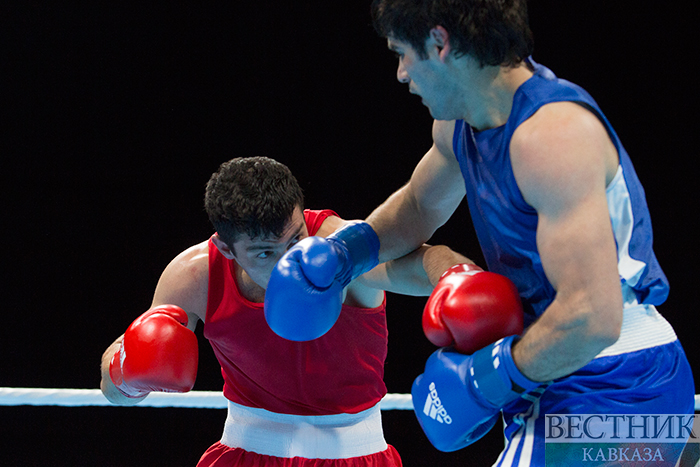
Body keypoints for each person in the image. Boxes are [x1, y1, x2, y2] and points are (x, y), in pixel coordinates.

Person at [266, 1, 695, 465]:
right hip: (569, 370)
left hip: (619, 379)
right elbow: (418, 206)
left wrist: (484, 380)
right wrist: (345, 253)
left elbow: (593, 317)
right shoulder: (462, 125)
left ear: (439, 43)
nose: (402, 74)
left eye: (402, 53)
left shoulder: (551, 137)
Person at [100, 156, 477, 467]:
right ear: (226, 248)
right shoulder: (194, 277)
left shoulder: (339, 249)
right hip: (242, 454)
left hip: (356, 456)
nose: (287, 262)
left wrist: (459, 277)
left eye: (295, 239)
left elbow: (423, 261)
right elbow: (112, 387)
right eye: (265, 253)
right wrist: (125, 374)